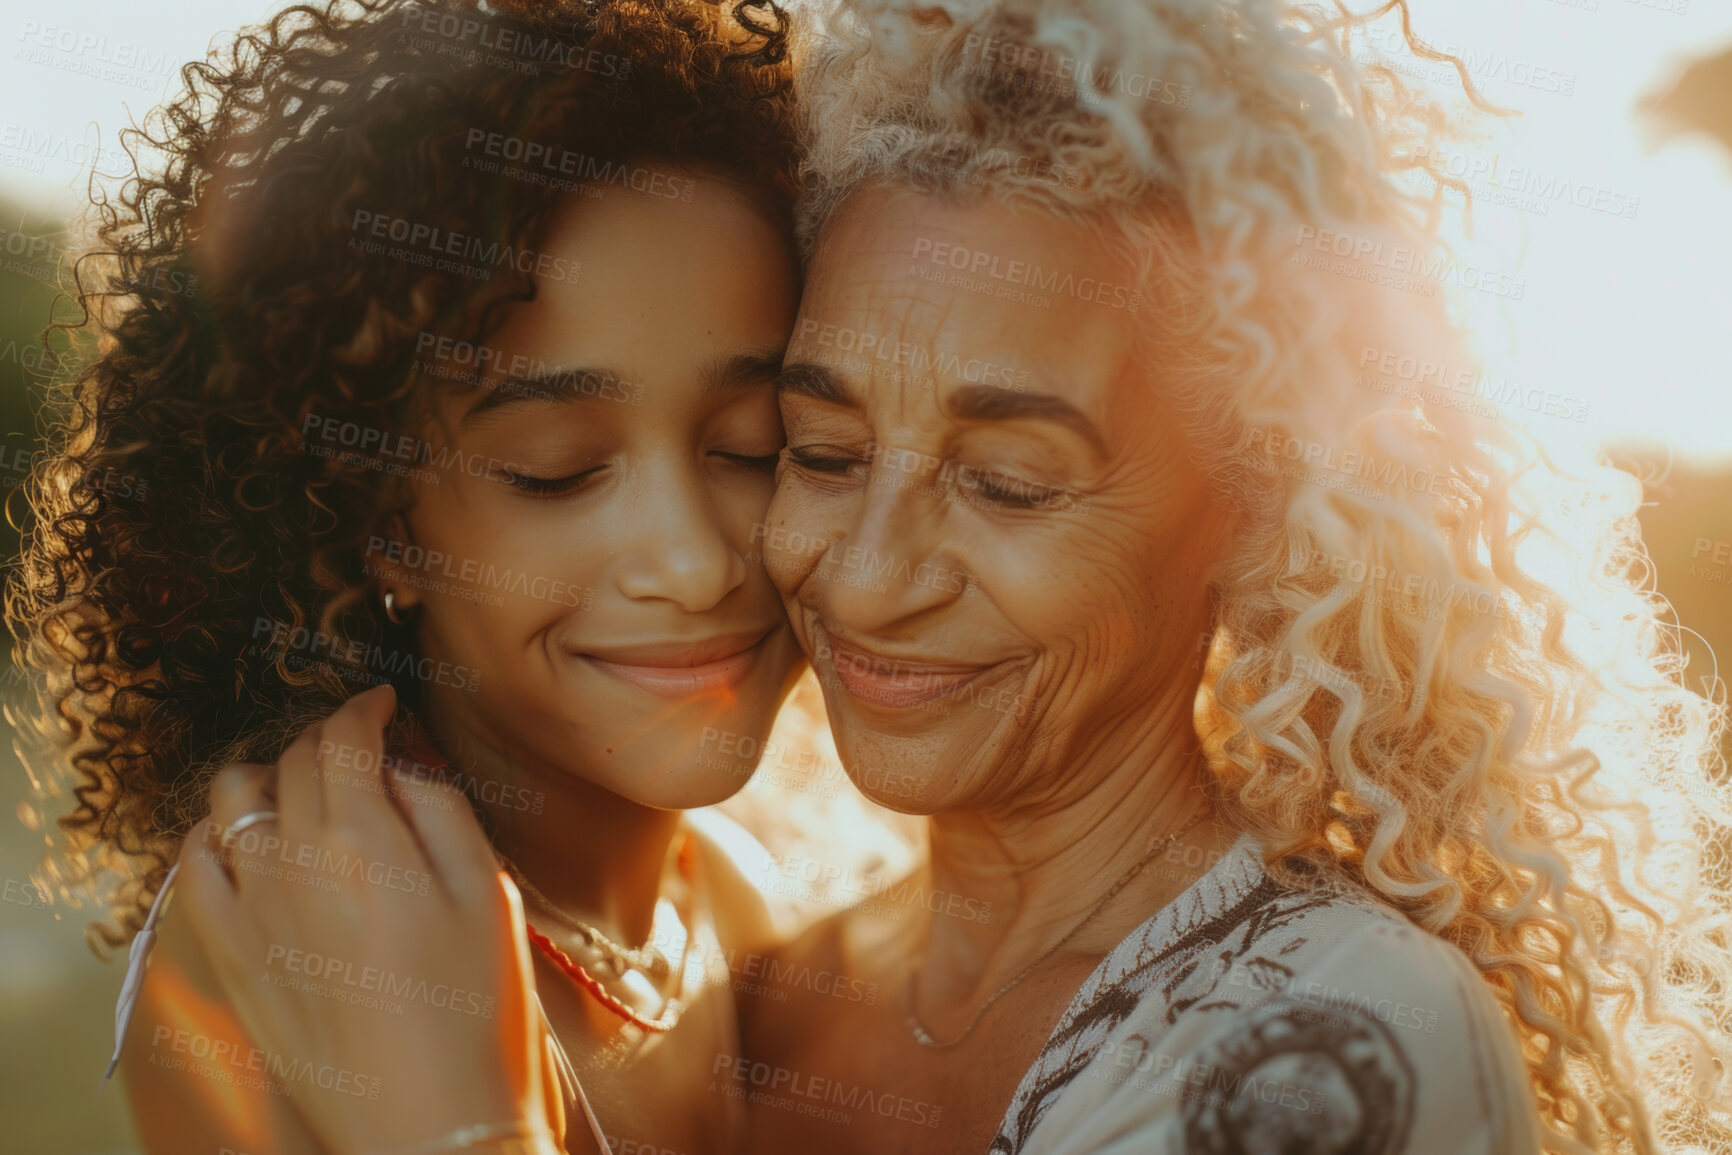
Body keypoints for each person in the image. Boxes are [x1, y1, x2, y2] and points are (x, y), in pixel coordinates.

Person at [109, 0, 1732, 1153]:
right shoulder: (756, 988)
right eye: (811, 451)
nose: (866, 579)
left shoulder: (1332, 1047)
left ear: (1253, 511)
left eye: (1008, 481)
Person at [4, 0, 817, 1152]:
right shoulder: (295, 929)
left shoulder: (737, 906)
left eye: (754, 444)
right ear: (381, 520)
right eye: (558, 470)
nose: (693, 562)